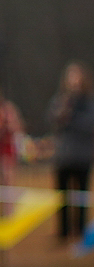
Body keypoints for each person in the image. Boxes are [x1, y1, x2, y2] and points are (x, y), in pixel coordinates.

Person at [48, 63, 92, 242]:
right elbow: (51, 118)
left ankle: (80, 231)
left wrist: (72, 119)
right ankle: (63, 232)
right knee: (62, 197)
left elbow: (89, 125)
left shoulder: (88, 102)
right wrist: (63, 112)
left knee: (81, 196)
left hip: (82, 157)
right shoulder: (61, 100)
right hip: (63, 158)